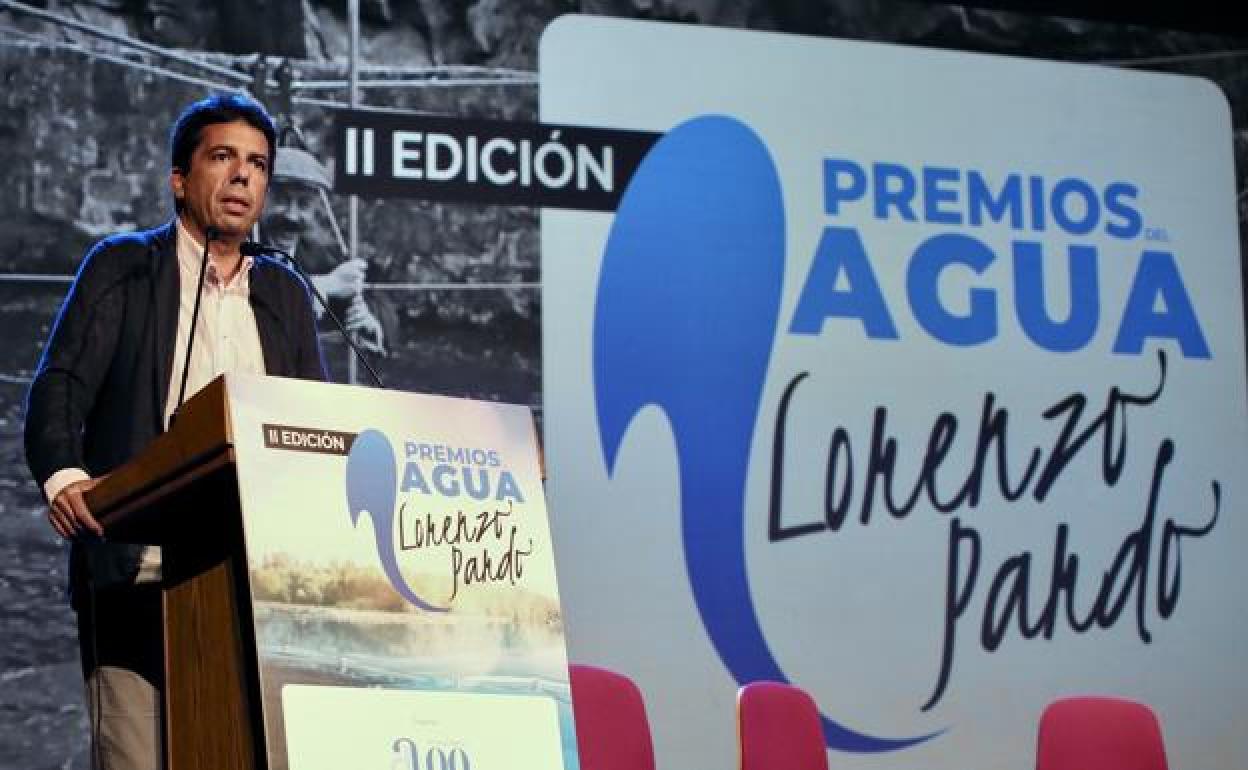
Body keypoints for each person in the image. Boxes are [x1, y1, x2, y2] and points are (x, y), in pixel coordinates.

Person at [23, 94, 325, 770]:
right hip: (136, 575)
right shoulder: (124, 267)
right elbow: (60, 384)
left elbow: (315, 419)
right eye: (223, 158)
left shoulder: (284, 293)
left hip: (256, 587)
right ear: (180, 180)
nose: (244, 176)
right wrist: (68, 478)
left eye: (257, 164)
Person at [262, 145, 386, 378]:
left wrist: (368, 323)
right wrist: (322, 286)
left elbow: (353, 317)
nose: (292, 215)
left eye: (303, 205)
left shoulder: (320, 257)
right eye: (282, 200)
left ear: (317, 209)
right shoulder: (237, 246)